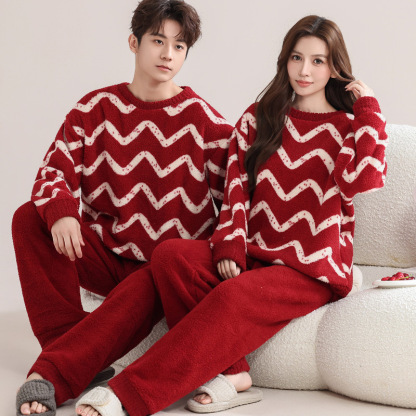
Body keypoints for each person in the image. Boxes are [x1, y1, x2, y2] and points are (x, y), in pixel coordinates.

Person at [73, 14, 388, 416]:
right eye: (296, 57)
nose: (304, 71)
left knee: (231, 296)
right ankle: (235, 374)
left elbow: (363, 179)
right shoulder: (260, 118)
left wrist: (368, 108)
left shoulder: (347, 127)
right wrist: (231, 244)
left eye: (318, 61)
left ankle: (127, 394)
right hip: (257, 253)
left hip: (311, 268)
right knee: (171, 255)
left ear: (335, 68)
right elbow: (236, 187)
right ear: (285, 60)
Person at [12, 1, 234, 415]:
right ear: (134, 43)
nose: (168, 54)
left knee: (155, 270)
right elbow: (52, 171)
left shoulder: (205, 122)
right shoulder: (93, 109)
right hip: (107, 254)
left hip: (161, 268)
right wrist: (62, 209)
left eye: (179, 46)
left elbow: (239, 194)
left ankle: (52, 373)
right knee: (30, 218)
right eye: (158, 41)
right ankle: (66, 341)